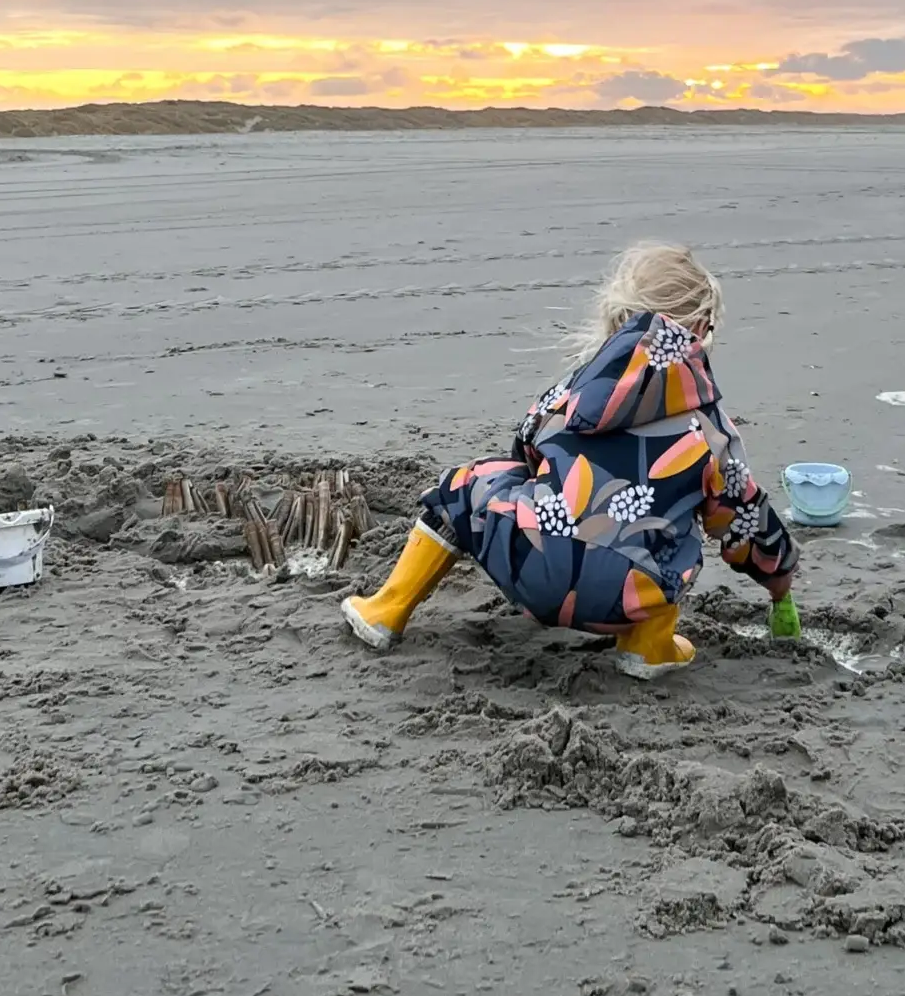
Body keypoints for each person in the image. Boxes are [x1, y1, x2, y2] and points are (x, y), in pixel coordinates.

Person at [342, 241, 798, 680]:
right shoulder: (709, 428)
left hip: (534, 575)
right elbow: (742, 520)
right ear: (698, 331)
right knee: (678, 530)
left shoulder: (573, 392)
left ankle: (387, 609)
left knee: (464, 485)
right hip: (633, 594)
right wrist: (780, 582)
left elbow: (524, 446)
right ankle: (648, 647)